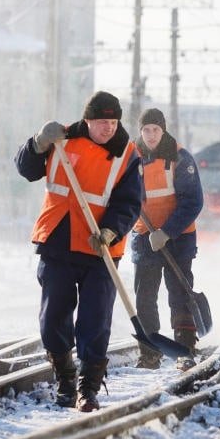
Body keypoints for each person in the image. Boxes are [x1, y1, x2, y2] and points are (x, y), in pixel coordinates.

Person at [14, 91, 142, 412]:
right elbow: (27, 169)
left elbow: (130, 202)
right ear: (88, 120)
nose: (108, 128)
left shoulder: (127, 154)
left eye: (113, 122)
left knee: (95, 319)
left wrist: (112, 230)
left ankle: (89, 388)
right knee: (53, 316)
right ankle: (65, 378)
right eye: (102, 122)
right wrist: (37, 143)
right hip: (58, 237)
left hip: (100, 247)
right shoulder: (62, 139)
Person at [131, 108, 204, 371]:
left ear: (163, 131)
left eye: (156, 130)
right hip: (144, 237)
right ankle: (150, 353)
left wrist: (167, 232)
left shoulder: (180, 158)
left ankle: (184, 350)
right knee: (144, 297)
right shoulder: (130, 158)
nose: (151, 135)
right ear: (140, 131)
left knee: (180, 293)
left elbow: (193, 201)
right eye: (146, 130)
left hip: (178, 237)